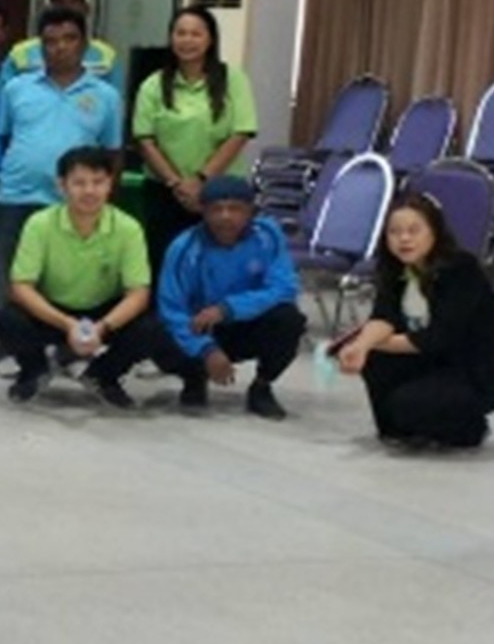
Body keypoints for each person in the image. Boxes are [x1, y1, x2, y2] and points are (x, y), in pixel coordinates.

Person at [0, 147, 173, 408]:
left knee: (154, 326)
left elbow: (138, 293)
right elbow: (21, 287)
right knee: (8, 318)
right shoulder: (39, 224)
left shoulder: (128, 228)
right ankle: (34, 371)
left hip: (104, 310)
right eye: (79, 183)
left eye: (98, 182)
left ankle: (104, 375)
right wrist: (67, 324)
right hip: (54, 309)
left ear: (110, 184)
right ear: (62, 186)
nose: (89, 191)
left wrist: (103, 327)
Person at [336, 191, 494, 450]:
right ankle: (398, 430)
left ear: (434, 232)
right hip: (430, 360)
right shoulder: (396, 268)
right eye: (395, 232)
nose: (404, 239)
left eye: (413, 230)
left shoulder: (461, 269)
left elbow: (439, 337)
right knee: (374, 356)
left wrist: (373, 343)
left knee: (407, 402)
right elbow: (383, 317)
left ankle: (468, 427)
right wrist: (361, 346)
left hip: (470, 368)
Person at [0, 6, 123, 315]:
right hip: (16, 195)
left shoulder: (106, 95)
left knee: (65, 282)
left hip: (75, 201)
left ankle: (62, 338)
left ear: (85, 44)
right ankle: (9, 338)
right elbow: (3, 138)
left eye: (70, 39)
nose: (60, 47)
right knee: (10, 278)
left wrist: (103, 197)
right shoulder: (15, 89)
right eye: (51, 41)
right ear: (40, 46)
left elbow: (112, 153)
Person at [156, 176, 305, 420]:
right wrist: (206, 349)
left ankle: (262, 386)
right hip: (200, 329)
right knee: (155, 332)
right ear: (203, 211)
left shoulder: (268, 235)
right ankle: (194, 379)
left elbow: (284, 288)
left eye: (235, 208)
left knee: (288, 318)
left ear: (250, 211)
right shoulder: (184, 248)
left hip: (244, 323)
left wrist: (227, 309)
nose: (225, 216)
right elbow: (171, 309)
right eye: (217, 209)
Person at [132, 5, 258, 273]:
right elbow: (145, 139)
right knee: (166, 264)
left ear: (210, 39)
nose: (187, 40)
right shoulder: (153, 85)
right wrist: (177, 184)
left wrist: (201, 180)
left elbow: (241, 133)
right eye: (180, 33)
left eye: (196, 34)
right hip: (165, 191)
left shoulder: (233, 80)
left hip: (221, 192)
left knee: (219, 265)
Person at [4, 0, 119, 82]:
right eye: (59, 2)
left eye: (74, 2)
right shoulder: (20, 54)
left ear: (87, 9)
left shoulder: (106, 56)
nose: (67, 7)